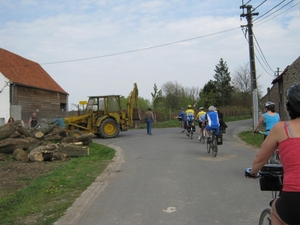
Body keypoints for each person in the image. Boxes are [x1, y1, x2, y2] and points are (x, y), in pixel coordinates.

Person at [247, 83, 300, 224]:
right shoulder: (276, 118)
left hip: (294, 196)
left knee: (275, 208)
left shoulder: (282, 128)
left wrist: (252, 173)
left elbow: (259, 160)